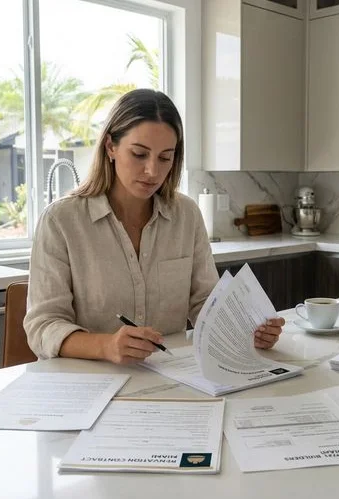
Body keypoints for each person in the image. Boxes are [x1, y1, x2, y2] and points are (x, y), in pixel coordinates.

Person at [24, 89, 285, 364]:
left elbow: (205, 303)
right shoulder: (61, 220)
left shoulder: (187, 216)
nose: (153, 171)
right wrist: (107, 346)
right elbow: (42, 325)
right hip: (89, 384)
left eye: (165, 158)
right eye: (139, 154)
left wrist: (245, 328)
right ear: (111, 147)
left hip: (169, 377)